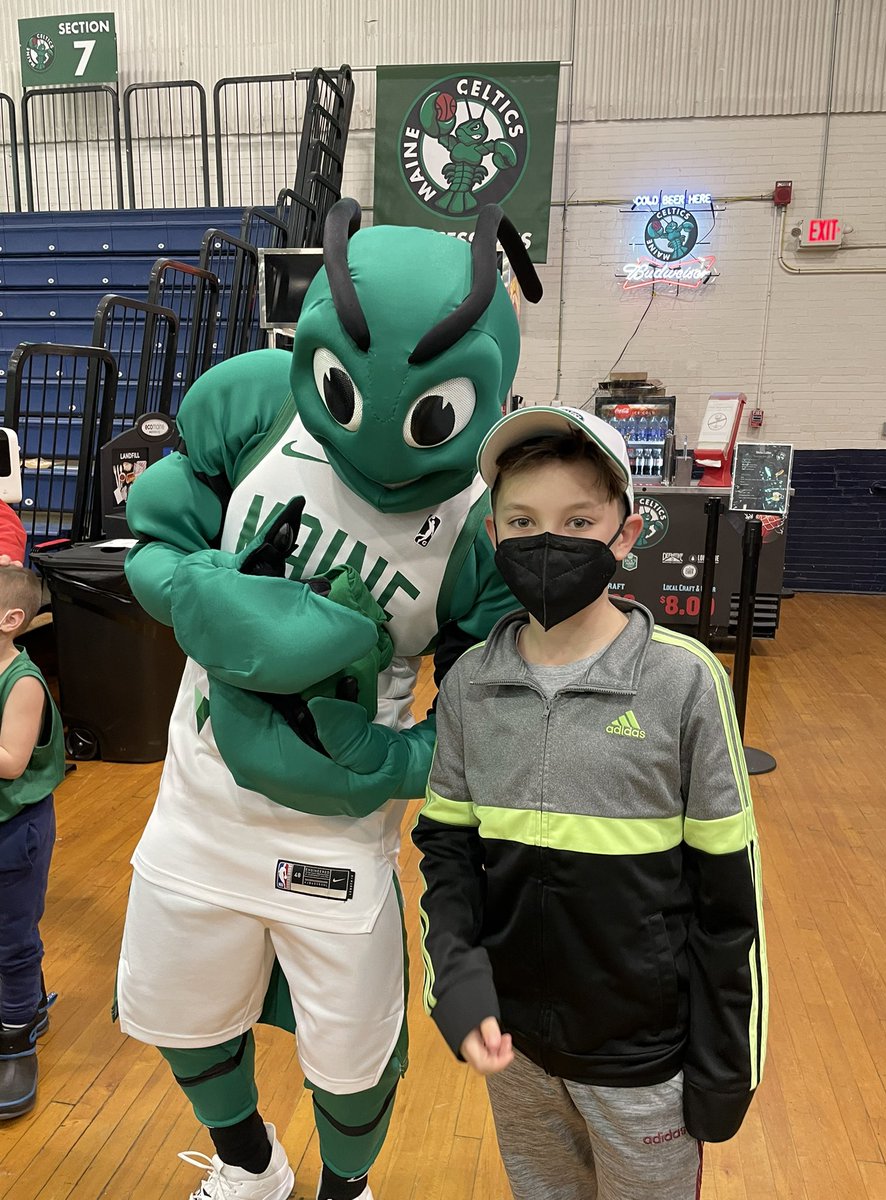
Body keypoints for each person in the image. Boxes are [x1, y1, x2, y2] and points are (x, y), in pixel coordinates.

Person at [114, 200, 541, 1200]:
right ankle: (251, 1164)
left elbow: (489, 701)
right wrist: (216, 601)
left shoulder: (480, 521)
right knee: (179, 1013)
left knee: (351, 1054)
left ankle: (346, 1193)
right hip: (201, 798)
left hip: (341, 833)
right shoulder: (262, 410)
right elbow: (157, 539)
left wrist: (392, 766)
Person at [412, 405, 768, 1200]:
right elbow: (445, 856)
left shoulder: (685, 682)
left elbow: (729, 893)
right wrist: (462, 987)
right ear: (493, 537)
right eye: (522, 520)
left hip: (647, 1062)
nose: (548, 541)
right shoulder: (471, 684)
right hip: (517, 1051)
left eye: (578, 519)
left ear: (626, 533)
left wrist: (724, 1062)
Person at [0, 566, 65, 1120]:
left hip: (14, 831)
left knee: (12, 937)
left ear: (10, 621)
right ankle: (27, 1002)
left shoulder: (22, 682)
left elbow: (10, 761)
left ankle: (16, 1036)